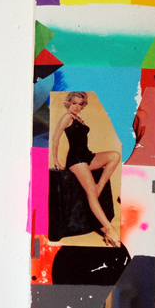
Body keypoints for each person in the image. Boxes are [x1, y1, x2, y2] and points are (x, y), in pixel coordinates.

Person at [49, 92, 122, 247]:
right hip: (76, 160)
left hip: (87, 156)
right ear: (69, 103)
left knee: (115, 156)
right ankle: (109, 229)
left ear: (83, 105)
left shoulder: (78, 119)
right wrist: (55, 160)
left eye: (80, 104)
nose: (77, 107)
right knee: (91, 195)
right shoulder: (67, 117)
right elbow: (55, 138)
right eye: (74, 103)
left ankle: (98, 187)